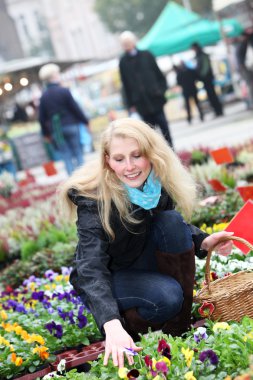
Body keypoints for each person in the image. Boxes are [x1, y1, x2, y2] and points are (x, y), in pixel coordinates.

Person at [58, 118, 233, 368]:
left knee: (171, 220)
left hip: (141, 260)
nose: (129, 166)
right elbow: (90, 266)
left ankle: (178, 326)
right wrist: (111, 323)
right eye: (119, 159)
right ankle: (131, 325)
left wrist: (203, 241)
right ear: (107, 160)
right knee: (167, 297)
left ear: (150, 154)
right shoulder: (94, 200)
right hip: (113, 276)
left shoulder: (154, 184)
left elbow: (165, 226)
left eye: (136, 155)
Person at [119, 31, 173, 147]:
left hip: (156, 99)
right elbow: (125, 85)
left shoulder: (147, 55)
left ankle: (172, 152)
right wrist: (130, 105)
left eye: (128, 42)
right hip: (141, 105)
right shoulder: (123, 62)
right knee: (149, 135)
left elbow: (160, 76)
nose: (127, 45)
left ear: (134, 42)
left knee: (165, 129)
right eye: (124, 44)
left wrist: (161, 91)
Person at [38, 63, 89, 175]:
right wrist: (85, 121)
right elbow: (75, 108)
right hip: (71, 125)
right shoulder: (64, 91)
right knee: (78, 153)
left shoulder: (43, 96)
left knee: (66, 156)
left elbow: (42, 118)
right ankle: (84, 178)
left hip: (56, 130)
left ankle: (72, 183)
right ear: (54, 76)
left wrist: (46, 134)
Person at [191, 42, 223, 117]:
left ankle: (218, 111)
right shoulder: (200, 55)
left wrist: (201, 76)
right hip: (206, 78)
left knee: (212, 95)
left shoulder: (202, 55)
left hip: (207, 78)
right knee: (211, 95)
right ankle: (217, 111)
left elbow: (205, 68)